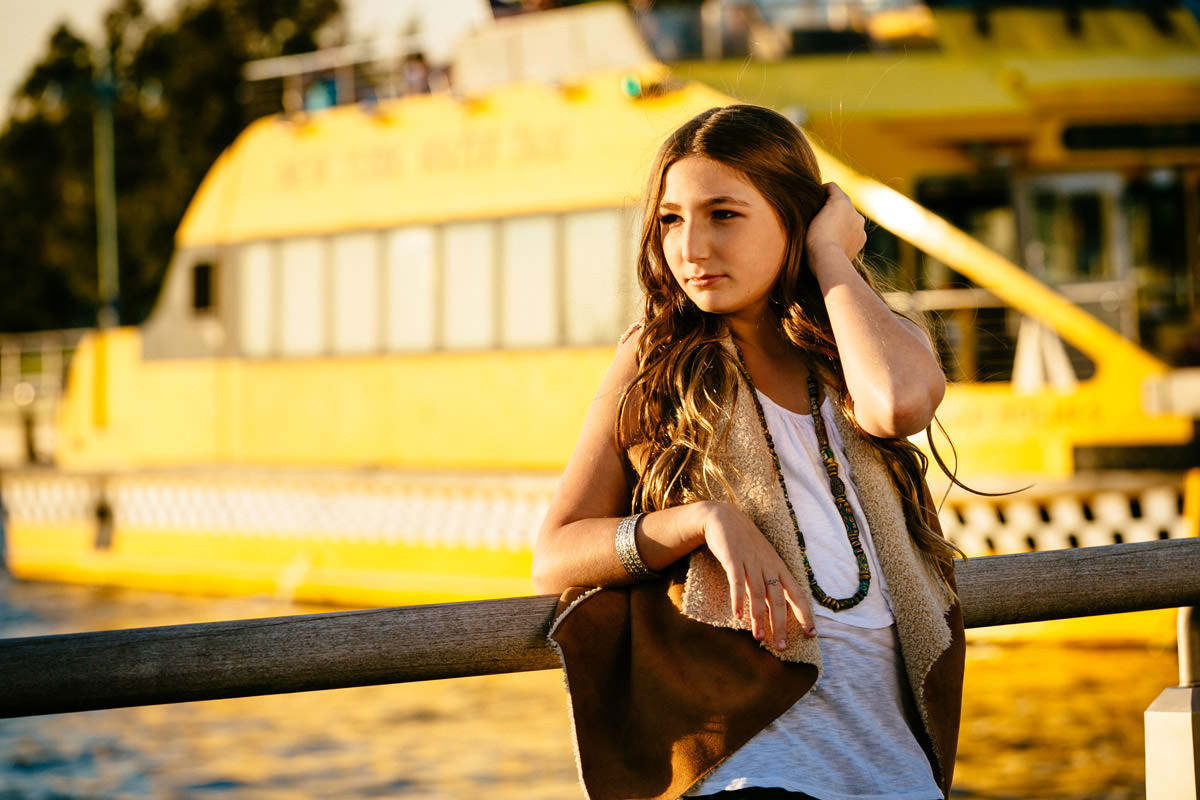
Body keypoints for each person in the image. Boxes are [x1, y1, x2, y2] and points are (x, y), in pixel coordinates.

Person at [533, 104, 965, 800]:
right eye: (671, 219)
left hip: (894, 771)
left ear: (795, 218)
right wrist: (704, 521)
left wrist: (830, 255)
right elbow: (554, 552)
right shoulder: (655, 358)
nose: (691, 248)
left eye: (723, 214)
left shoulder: (859, 346)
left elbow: (896, 405)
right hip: (750, 771)